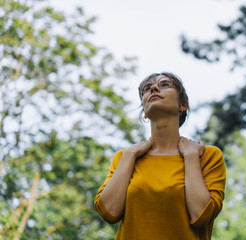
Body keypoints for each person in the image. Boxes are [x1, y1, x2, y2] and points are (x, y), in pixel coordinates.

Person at [94, 72, 226, 240]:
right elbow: (108, 212)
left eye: (165, 85)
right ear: (144, 113)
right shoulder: (125, 157)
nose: (154, 88)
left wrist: (191, 157)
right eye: (147, 89)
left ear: (183, 104)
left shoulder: (206, 156)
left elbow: (201, 215)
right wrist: (130, 155)